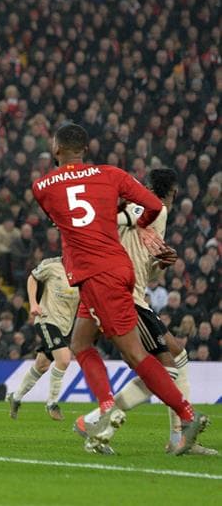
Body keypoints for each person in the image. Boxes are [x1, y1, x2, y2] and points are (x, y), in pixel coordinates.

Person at [31, 123, 207, 456]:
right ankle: (107, 407)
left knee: (135, 355)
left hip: (97, 276)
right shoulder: (112, 173)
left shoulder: (42, 187)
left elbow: (66, 220)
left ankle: (186, 415)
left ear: (56, 149)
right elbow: (154, 205)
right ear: (86, 149)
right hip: (117, 270)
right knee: (81, 343)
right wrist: (136, 222)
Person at [77, 169, 217, 455]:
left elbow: (144, 264)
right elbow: (117, 218)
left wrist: (159, 264)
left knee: (177, 356)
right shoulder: (153, 206)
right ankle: (94, 422)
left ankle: (179, 437)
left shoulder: (145, 215)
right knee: (167, 367)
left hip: (131, 290)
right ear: (173, 192)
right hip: (125, 295)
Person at [7, 258, 78, 421]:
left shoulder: (84, 270)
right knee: (64, 359)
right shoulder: (52, 265)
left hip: (65, 326)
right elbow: (33, 278)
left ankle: (16, 397)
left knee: (42, 364)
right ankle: (52, 403)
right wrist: (33, 304)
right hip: (47, 319)